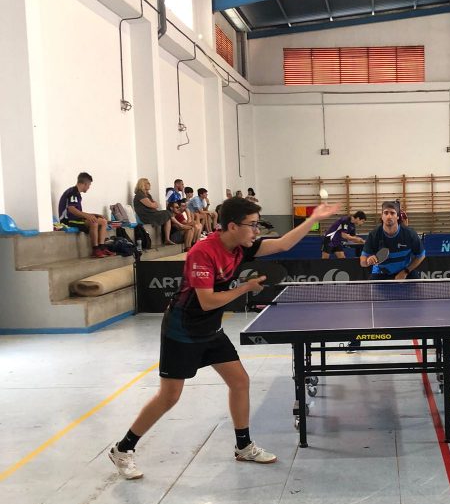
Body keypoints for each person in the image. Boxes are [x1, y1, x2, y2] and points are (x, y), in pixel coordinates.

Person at [108, 196, 340, 479]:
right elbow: (207, 301)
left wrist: (314, 219)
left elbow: (283, 244)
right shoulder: (203, 252)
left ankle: (243, 446)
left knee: (240, 381)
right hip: (182, 330)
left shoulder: (241, 246)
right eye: (252, 225)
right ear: (232, 226)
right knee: (169, 397)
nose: (256, 231)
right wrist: (245, 288)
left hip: (211, 330)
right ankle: (123, 448)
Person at [344, 202, 425, 351]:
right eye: (386, 213)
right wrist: (368, 261)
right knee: (367, 306)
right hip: (381, 272)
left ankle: (430, 335)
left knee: (419, 304)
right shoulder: (374, 235)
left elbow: (421, 256)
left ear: (397, 216)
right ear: (381, 216)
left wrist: (405, 271)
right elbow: (362, 262)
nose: (389, 216)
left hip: (405, 271)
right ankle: (355, 341)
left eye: (392, 213)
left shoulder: (409, 234)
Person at [58, 171, 113, 258]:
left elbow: (78, 211)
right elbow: (71, 209)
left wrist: (94, 214)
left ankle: (102, 248)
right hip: (68, 220)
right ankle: (95, 249)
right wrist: (88, 216)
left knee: (103, 221)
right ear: (85, 184)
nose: (89, 187)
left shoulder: (76, 193)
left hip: (75, 219)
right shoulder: (73, 192)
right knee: (94, 222)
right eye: (89, 185)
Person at [133, 178, 173, 245]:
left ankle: (167, 239)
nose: (150, 184)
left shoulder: (148, 195)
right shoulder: (139, 195)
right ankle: (179, 225)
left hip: (152, 213)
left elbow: (155, 205)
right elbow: (152, 205)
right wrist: (154, 204)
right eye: (148, 183)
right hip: (146, 216)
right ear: (143, 184)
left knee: (167, 214)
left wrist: (154, 204)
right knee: (167, 213)